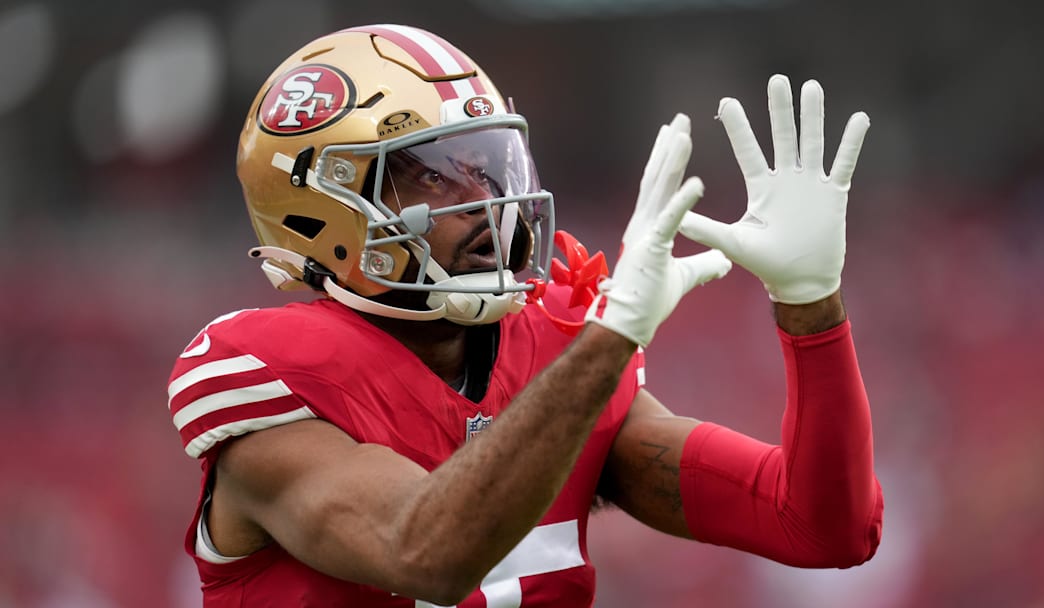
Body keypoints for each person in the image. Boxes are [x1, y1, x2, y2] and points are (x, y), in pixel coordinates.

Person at [167, 23, 883, 607]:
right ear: (323, 213)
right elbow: (428, 553)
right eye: (434, 173)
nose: (485, 199)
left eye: (487, 164)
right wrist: (609, 341)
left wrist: (811, 306)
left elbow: (824, 527)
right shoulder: (273, 387)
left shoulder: (550, 346)